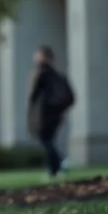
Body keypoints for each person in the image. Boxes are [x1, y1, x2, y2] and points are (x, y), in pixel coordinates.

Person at [28, 45, 74, 179]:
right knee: (49, 141)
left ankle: (58, 165)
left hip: (44, 115)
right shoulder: (58, 76)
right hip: (52, 115)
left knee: (47, 141)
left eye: (38, 56)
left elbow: (33, 95)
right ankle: (55, 168)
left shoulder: (43, 74)